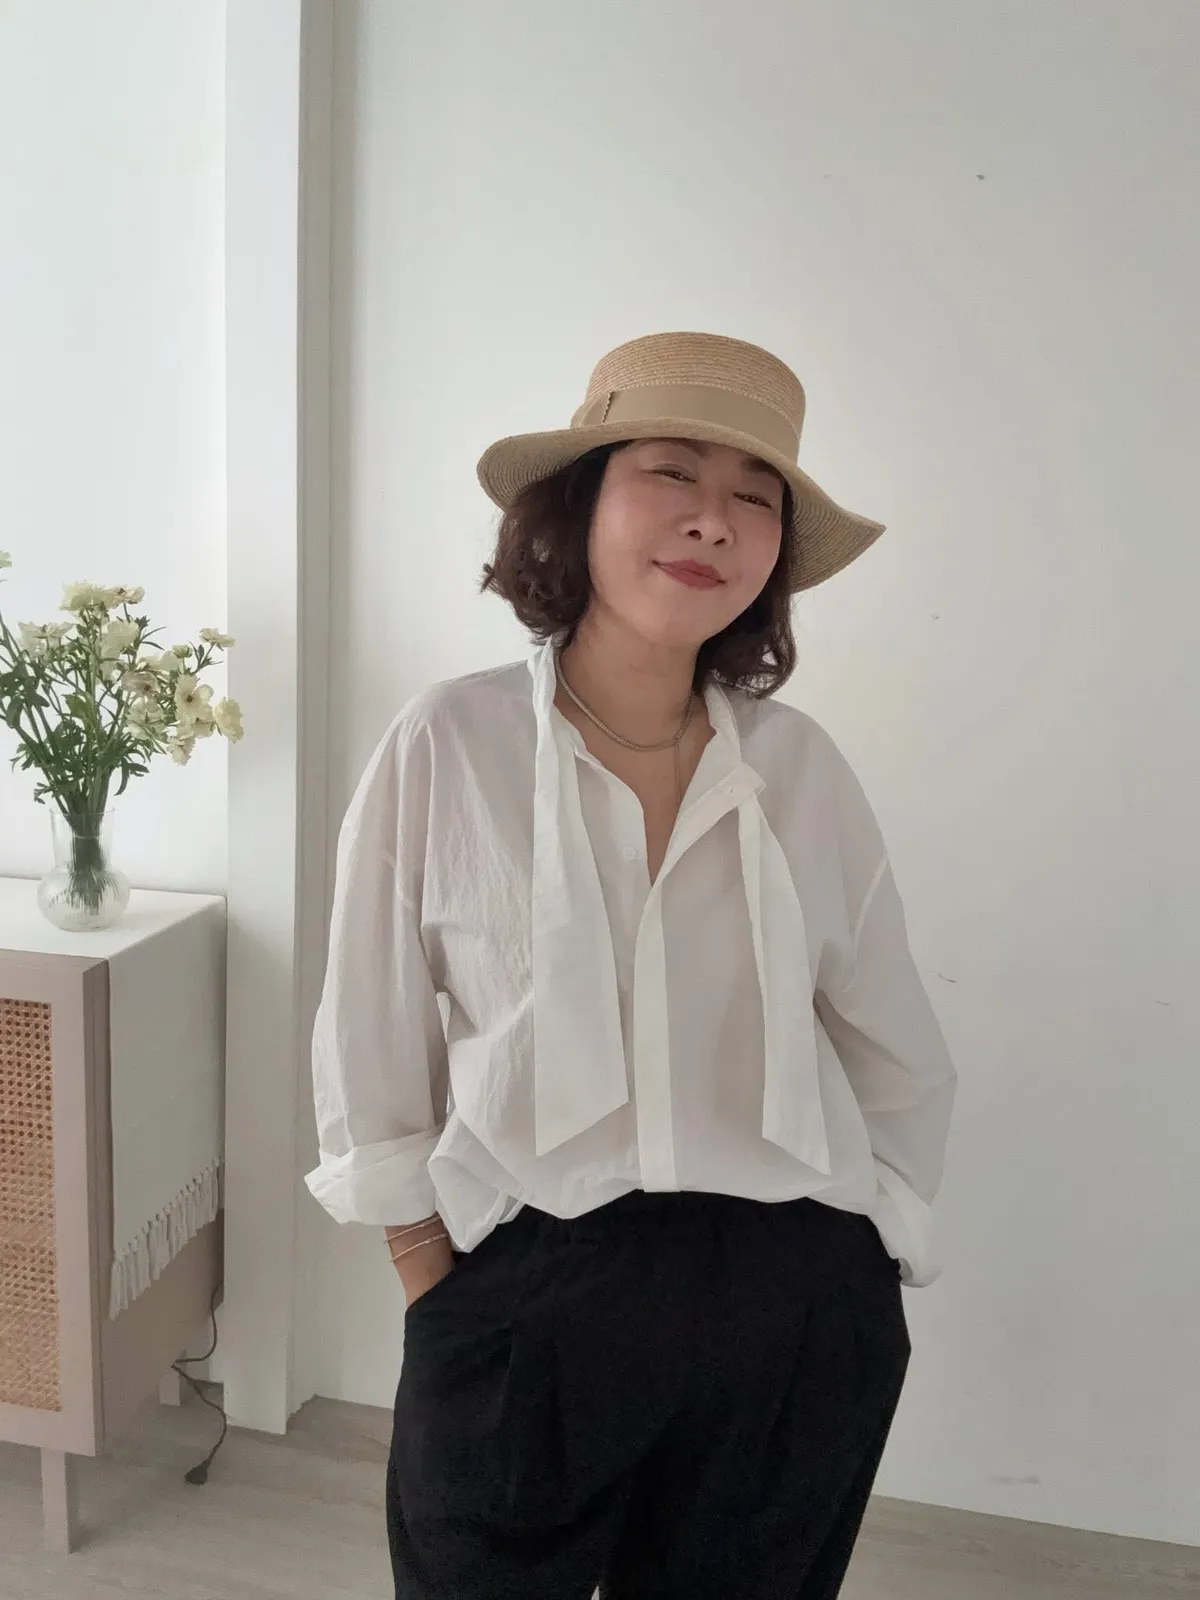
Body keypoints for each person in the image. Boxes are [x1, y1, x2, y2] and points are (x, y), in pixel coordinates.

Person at [305, 330, 958, 1599]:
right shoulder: (449, 741)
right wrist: (431, 1280)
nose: (714, 518)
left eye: (756, 496)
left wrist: (867, 1262)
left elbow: (894, 1043)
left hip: (790, 1308)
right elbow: (369, 1028)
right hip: (525, 1295)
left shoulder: (800, 769)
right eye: (672, 471)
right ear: (581, 501)